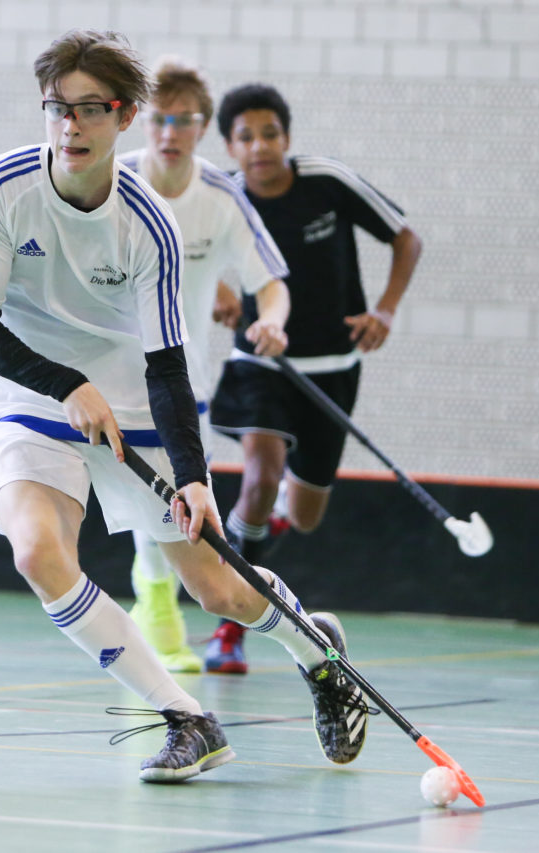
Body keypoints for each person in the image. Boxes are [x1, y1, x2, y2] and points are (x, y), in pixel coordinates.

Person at [0, 30, 371, 781]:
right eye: (56, 108)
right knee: (38, 551)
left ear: (126, 115)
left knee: (220, 590)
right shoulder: (2, 186)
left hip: (136, 407)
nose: (70, 126)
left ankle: (317, 651)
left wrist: (196, 477)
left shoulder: (150, 225)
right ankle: (187, 717)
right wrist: (65, 384)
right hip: (31, 403)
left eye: (89, 110)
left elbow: (169, 367)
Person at [204, 83, 423, 675]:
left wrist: (385, 310)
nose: (259, 147)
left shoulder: (326, 181)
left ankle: (268, 521)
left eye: (269, 133)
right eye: (245, 137)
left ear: (287, 137)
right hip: (260, 362)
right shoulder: (221, 194)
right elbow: (171, 245)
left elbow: (406, 236)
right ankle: (230, 628)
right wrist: (217, 293)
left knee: (304, 516)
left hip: (332, 370)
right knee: (259, 473)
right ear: (229, 144)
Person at [117, 56, 291, 674]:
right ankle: (155, 606)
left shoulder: (220, 196)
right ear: (140, 122)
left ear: (201, 126)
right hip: (109, 370)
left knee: (169, 495)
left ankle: (158, 603)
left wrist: (269, 317)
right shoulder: (114, 182)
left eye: (183, 120)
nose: (169, 133)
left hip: (180, 376)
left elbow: (269, 279)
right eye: (159, 119)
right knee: (145, 492)